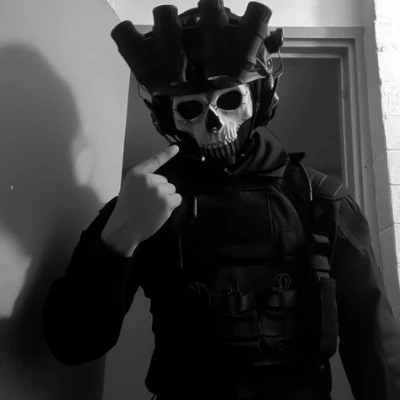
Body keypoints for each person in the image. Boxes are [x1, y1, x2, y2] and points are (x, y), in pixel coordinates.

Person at [43, 1, 400, 399]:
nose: (212, 124)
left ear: (260, 97)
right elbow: (72, 344)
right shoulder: (145, 202)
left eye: (229, 100)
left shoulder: (321, 200)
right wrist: (117, 239)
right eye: (190, 108)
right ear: (167, 116)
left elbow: (375, 344)